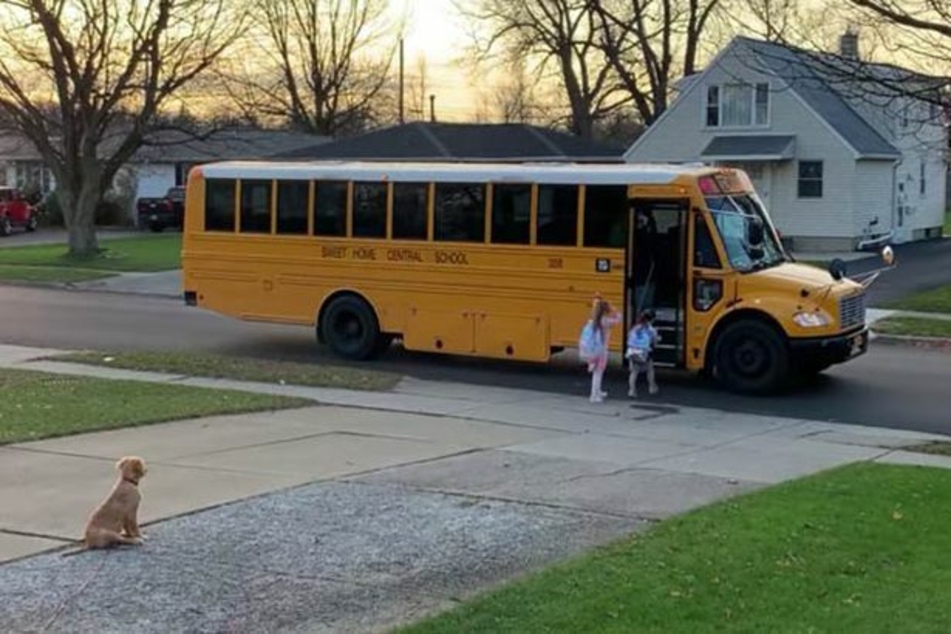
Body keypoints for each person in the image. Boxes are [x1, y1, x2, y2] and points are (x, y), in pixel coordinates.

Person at [579, 297, 621, 403]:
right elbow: (619, 319)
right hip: (601, 350)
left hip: (593, 349)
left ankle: (598, 391)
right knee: (598, 373)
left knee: (597, 372)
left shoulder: (593, 320)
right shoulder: (606, 321)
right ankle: (594, 395)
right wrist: (614, 310)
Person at [626, 310, 660, 398]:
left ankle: (632, 390)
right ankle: (652, 387)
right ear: (652, 319)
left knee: (634, 372)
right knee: (650, 369)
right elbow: (654, 341)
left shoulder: (635, 328)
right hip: (645, 353)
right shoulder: (651, 329)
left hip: (633, 352)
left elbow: (629, 338)